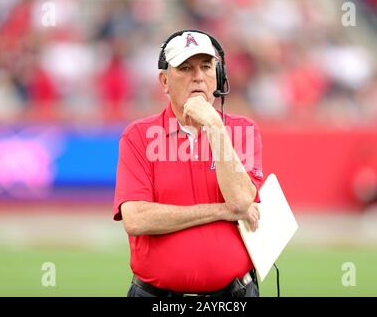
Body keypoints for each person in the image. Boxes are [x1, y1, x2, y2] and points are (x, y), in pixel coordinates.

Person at [113, 30, 264, 297]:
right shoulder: (138, 135)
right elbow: (136, 219)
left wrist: (215, 127)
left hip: (233, 295)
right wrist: (221, 211)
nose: (198, 77)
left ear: (218, 76)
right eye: (185, 68)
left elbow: (241, 202)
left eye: (206, 66)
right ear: (165, 81)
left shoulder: (243, 130)